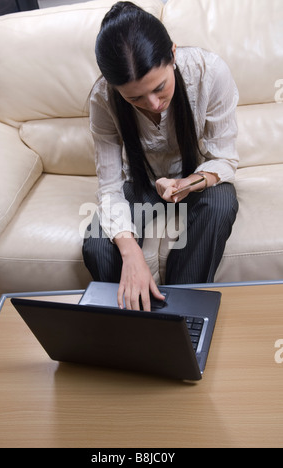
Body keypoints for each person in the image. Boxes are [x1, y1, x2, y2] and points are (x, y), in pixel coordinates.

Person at [83, 1, 239, 312]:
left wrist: (189, 183)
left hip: (194, 181)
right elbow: (111, 188)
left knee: (221, 202)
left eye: (159, 87)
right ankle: (129, 324)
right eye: (135, 98)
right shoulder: (102, 99)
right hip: (141, 185)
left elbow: (225, 158)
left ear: (173, 54)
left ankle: (181, 315)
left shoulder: (209, 73)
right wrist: (131, 254)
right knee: (98, 244)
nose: (153, 104)